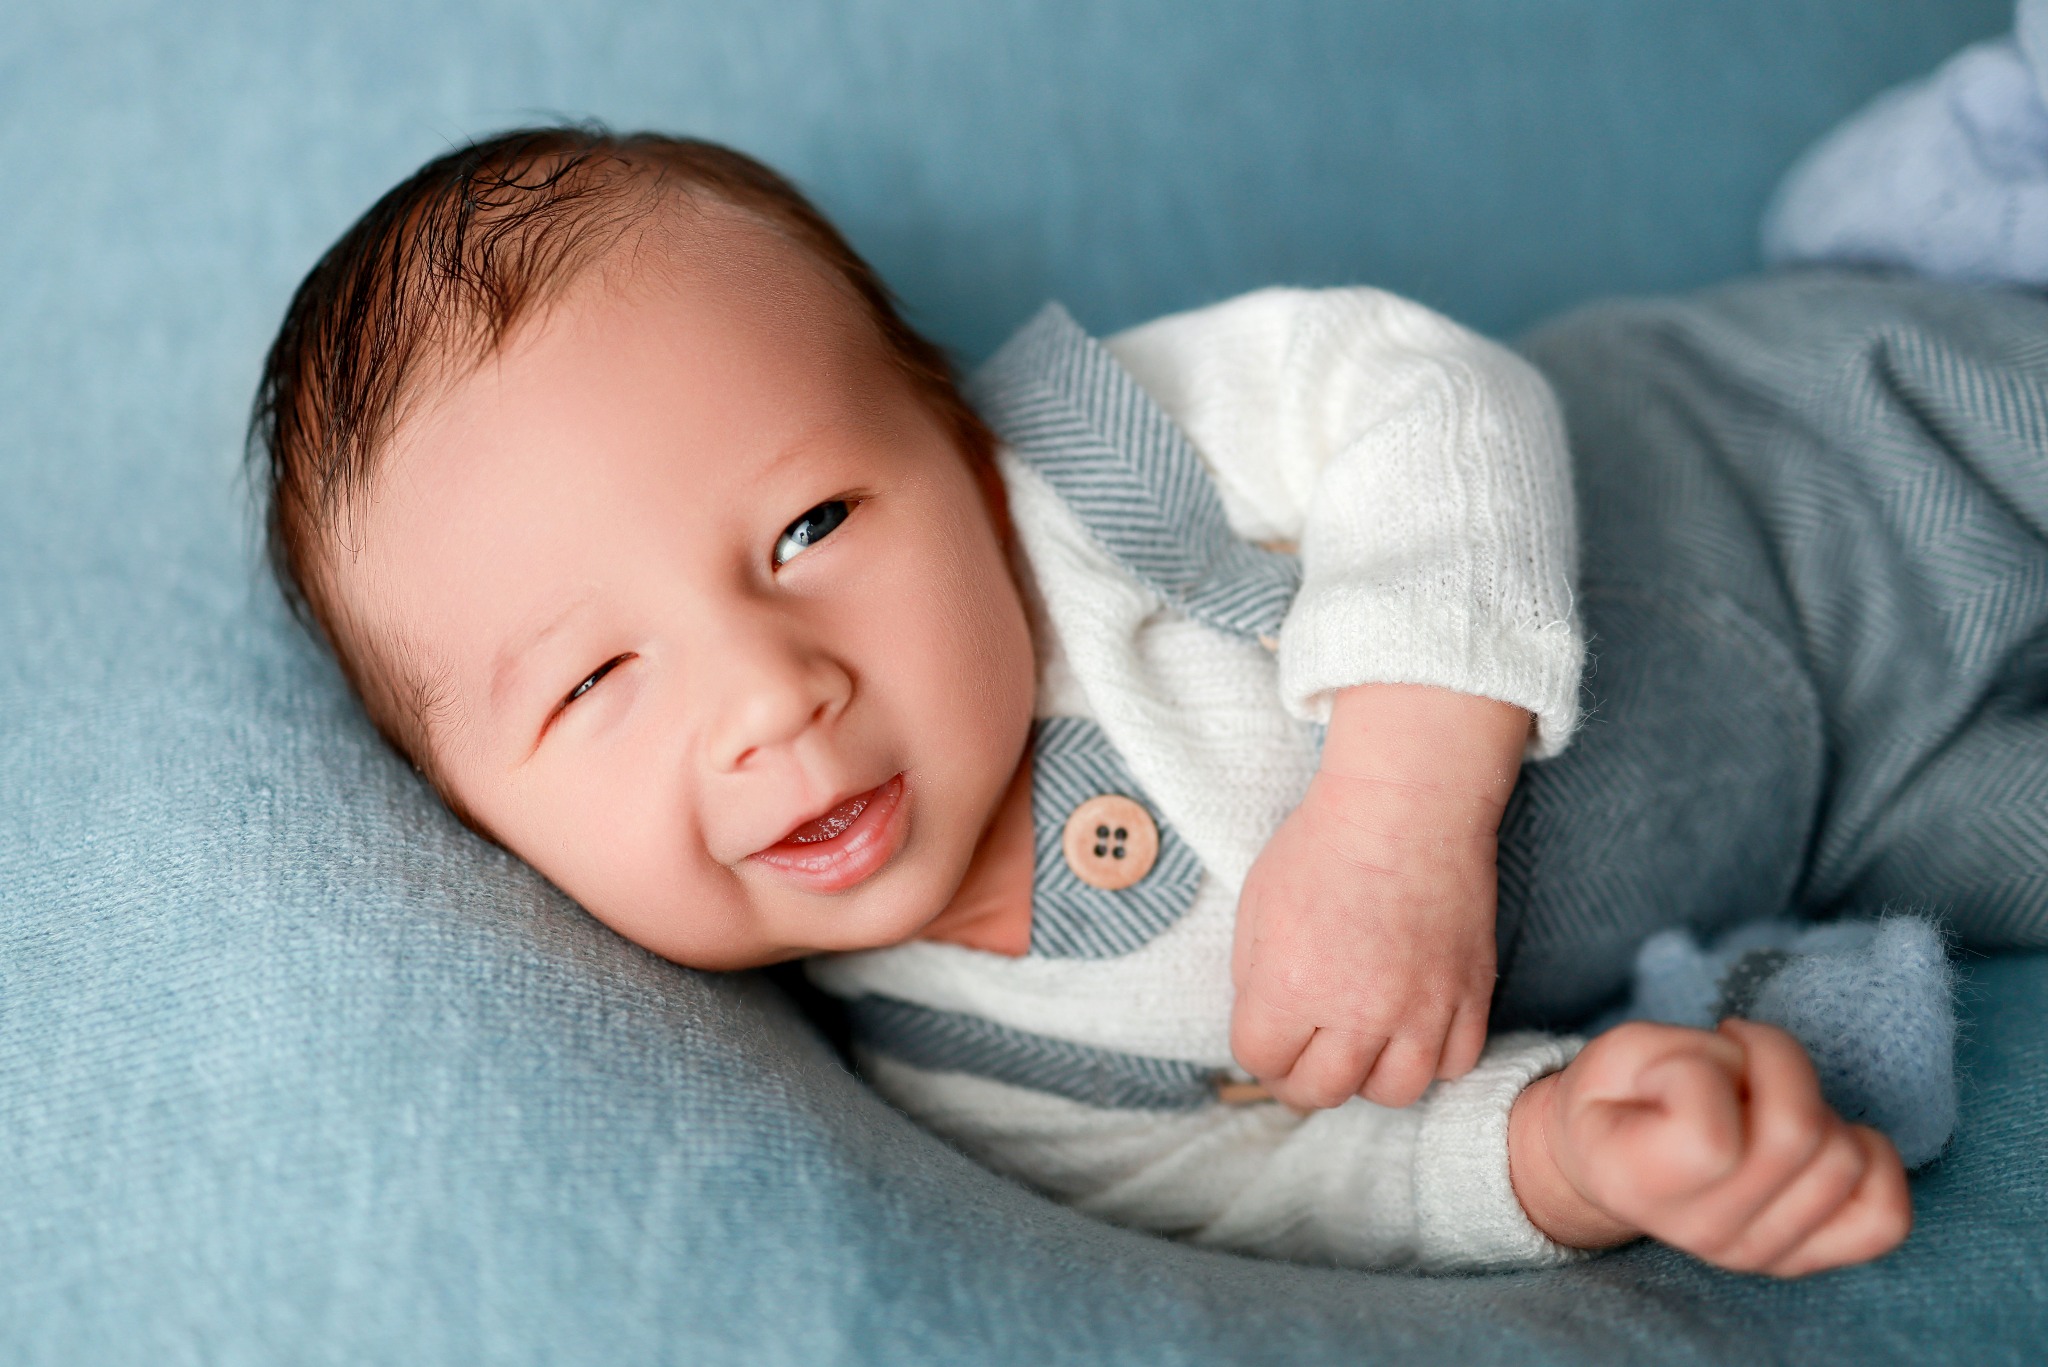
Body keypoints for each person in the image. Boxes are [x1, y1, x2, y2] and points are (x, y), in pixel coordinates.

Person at [249, 126, 1923, 1275]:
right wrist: (1564, 1158)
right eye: (597, 677)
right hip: (1872, 820)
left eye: (811, 526)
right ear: (480, 823)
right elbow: (1279, 1190)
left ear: (954, 443)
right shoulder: (968, 1073)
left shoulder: (1091, 469)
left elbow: (1423, 389)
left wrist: (1403, 810)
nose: (770, 690)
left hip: (1811, 458)